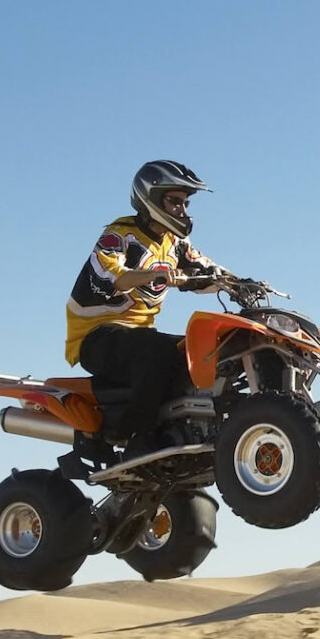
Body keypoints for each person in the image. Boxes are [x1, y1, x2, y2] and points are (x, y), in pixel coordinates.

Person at [64, 160, 224, 456]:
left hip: (137, 338)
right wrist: (153, 275)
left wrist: (239, 282)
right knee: (156, 351)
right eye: (175, 202)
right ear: (151, 197)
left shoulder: (175, 244)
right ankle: (134, 435)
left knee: (198, 349)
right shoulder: (119, 235)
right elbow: (111, 276)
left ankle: (182, 429)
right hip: (95, 337)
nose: (183, 211)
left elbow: (207, 270)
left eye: (186, 204)